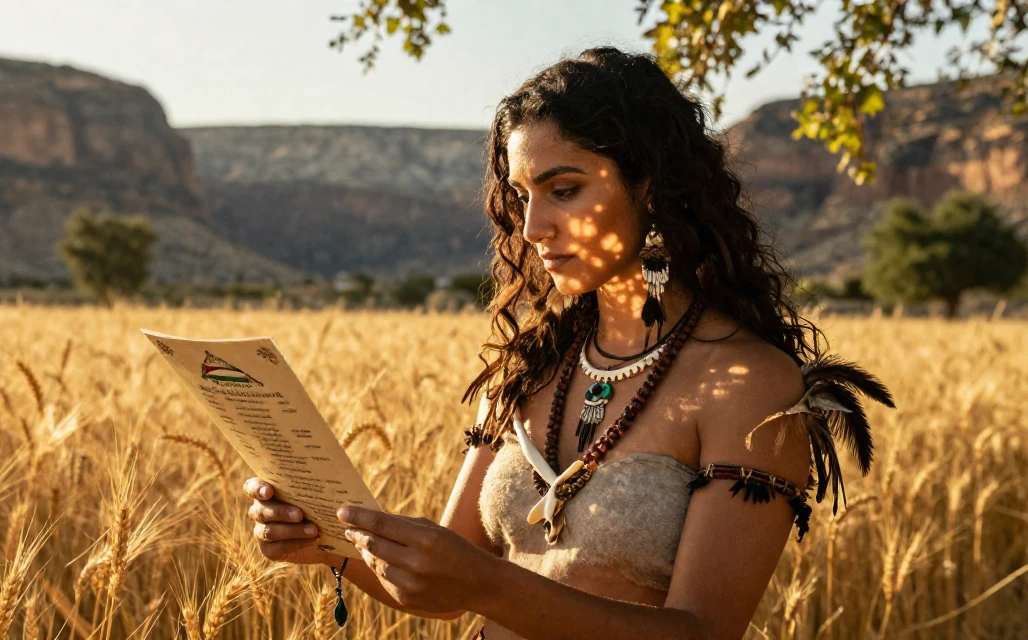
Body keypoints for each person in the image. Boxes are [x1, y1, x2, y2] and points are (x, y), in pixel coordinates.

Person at [242, 46, 894, 639]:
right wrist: (327, 542)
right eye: (522, 196)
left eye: (564, 189)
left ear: (650, 185)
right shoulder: (529, 371)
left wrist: (489, 584)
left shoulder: (751, 383)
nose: (532, 227)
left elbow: (702, 631)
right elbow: (440, 590)